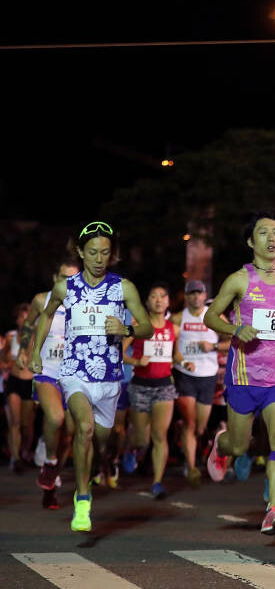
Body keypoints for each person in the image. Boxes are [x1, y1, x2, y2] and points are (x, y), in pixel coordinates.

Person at [28, 221, 153, 532]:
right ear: (81, 252)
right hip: (74, 372)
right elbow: (46, 315)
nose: (99, 259)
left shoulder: (123, 287)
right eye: (93, 252)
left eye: (105, 253)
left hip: (109, 378)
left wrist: (125, 328)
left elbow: (147, 327)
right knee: (83, 429)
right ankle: (82, 499)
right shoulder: (65, 288)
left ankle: (97, 467)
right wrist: (35, 352)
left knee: (100, 441)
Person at [204, 213, 275, 535]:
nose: (271, 238)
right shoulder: (239, 280)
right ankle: (221, 446)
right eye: (263, 233)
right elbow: (210, 316)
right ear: (251, 241)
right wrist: (235, 329)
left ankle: (273, 509)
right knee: (239, 446)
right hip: (245, 377)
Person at [20, 260, 80, 508]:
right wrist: (23, 350)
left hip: (74, 376)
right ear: (55, 278)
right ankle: (50, 461)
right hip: (46, 371)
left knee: (69, 434)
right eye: (64, 278)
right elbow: (28, 324)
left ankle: (52, 481)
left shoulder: (86, 304)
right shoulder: (40, 300)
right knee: (55, 418)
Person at [123, 283, 183, 499]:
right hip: (140, 386)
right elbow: (119, 353)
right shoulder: (138, 325)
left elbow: (175, 355)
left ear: (168, 301)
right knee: (142, 440)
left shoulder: (174, 329)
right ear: (147, 302)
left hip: (164, 386)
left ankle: (157, 482)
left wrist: (184, 361)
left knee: (159, 435)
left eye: (162, 296)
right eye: (154, 296)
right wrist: (136, 361)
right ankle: (132, 448)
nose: (158, 300)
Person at [170, 280, 222, 489]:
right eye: (191, 293)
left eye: (199, 293)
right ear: (186, 296)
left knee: (200, 427)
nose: (195, 297)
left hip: (208, 375)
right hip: (185, 374)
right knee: (190, 423)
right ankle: (191, 467)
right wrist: (181, 361)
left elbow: (233, 339)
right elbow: (169, 345)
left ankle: (200, 442)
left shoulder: (214, 317)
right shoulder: (177, 318)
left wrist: (213, 346)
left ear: (205, 295)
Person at [4, 303, 35, 474]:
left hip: (29, 383)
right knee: (14, 422)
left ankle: (24, 452)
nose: (25, 320)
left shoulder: (37, 335)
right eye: (22, 317)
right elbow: (4, 359)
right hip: (14, 381)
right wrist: (8, 362)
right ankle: (15, 458)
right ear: (16, 320)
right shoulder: (10, 337)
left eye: (28, 316)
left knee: (26, 425)